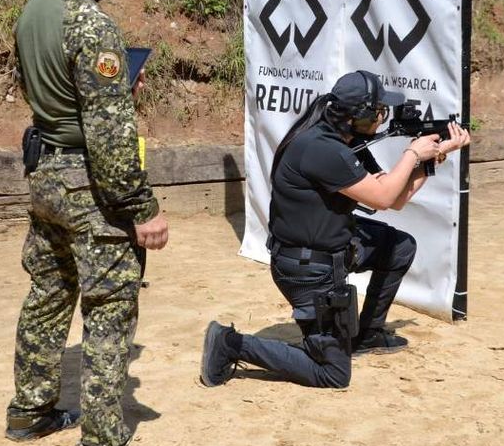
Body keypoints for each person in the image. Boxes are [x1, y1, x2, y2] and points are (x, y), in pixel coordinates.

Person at [6, 0, 171, 446]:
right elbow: (107, 131)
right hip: (87, 183)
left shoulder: (34, 10)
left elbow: (55, 97)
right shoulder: (91, 22)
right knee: (109, 312)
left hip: (46, 176)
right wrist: (140, 208)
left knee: (49, 294)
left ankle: (31, 410)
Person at [199, 70, 470, 389]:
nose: (383, 117)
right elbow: (384, 198)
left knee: (399, 247)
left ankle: (368, 334)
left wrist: (433, 157)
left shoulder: (341, 139)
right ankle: (231, 343)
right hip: (308, 270)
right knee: (332, 374)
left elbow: (393, 196)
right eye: (378, 111)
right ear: (359, 115)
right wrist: (412, 153)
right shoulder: (323, 149)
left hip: (332, 249)